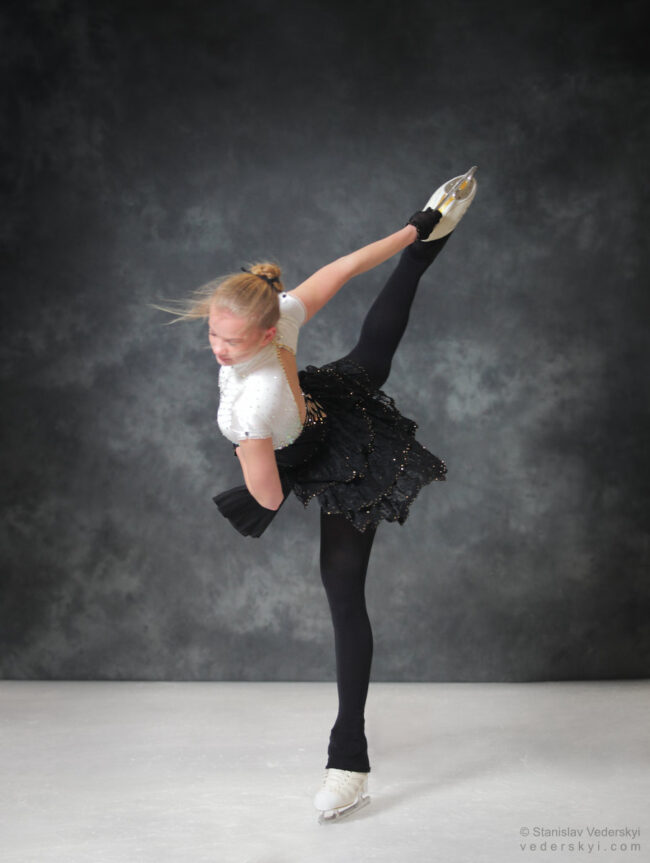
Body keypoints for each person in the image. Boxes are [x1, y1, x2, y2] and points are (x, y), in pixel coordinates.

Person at [155, 167, 478, 823]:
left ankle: (349, 760)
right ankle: (432, 229)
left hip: (333, 455)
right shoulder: (282, 315)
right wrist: (409, 228)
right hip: (322, 407)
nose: (216, 347)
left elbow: (270, 499)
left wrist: (253, 467)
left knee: (340, 586)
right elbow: (342, 268)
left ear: (267, 335)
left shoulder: (250, 405)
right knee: (371, 350)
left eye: (229, 340)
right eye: (212, 335)